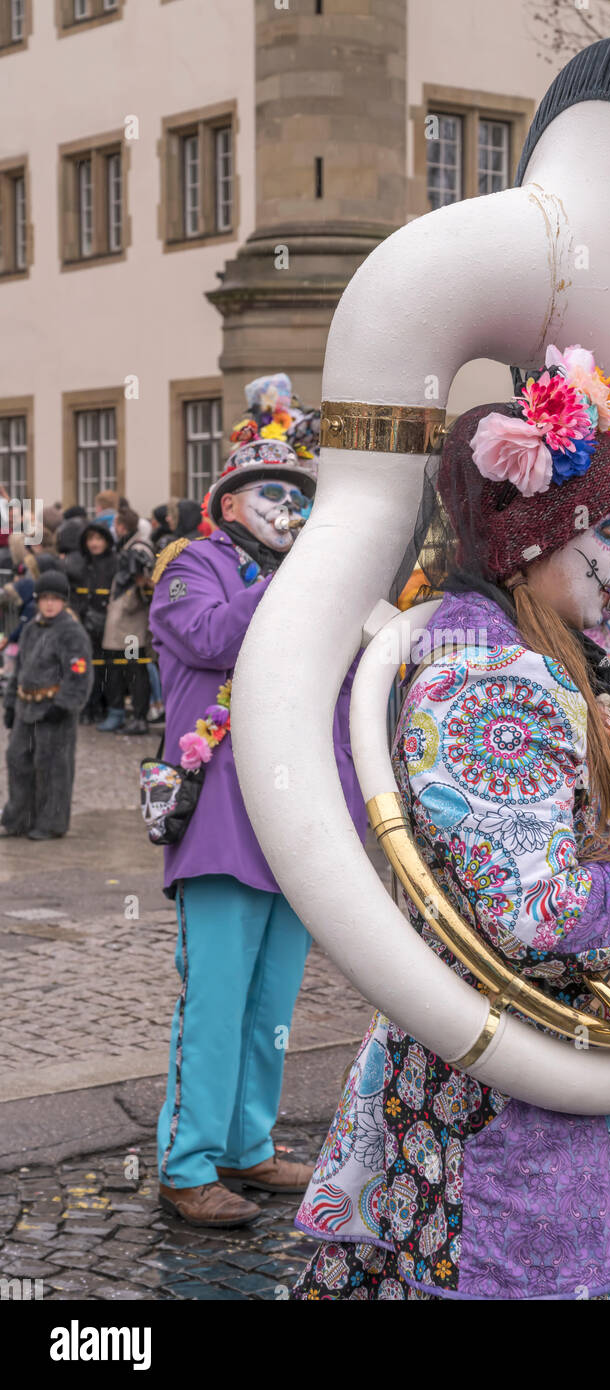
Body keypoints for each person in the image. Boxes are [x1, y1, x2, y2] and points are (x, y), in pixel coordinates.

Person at [291, 347, 610, 1300]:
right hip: (517, 1095)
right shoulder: (483, 682)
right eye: (606, 534)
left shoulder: (558, 644)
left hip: (584, 1067)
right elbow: (536, 914)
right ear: (532, 546)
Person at [148, 374, 366, 1230]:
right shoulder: (191, 565)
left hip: (294, 820)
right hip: (219, 817)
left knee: (273, 1000)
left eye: (298, 494)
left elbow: (343, 693)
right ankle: (186, 1160)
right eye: (272, 493)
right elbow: (204, 637)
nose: (289, 507)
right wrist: (294, 576)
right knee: (217, 995)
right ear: (229, 502)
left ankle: (246, 1144)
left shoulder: (308, 581)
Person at [2, 570, 92, 840]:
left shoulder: (72, 632)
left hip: (54, 710)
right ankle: (19, 818)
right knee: (18, 760)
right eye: (44, 599)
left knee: (52, 766)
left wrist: (64, 704)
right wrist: (9, 703)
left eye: (55, 598)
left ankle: (51, 822)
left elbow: (79, 672)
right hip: (25, 708)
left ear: (64, 601)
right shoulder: (30, 629)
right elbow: (19, 668)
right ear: (37, 601)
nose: (49, 604)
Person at [99, 508, 155, 735]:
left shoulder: (137, 549)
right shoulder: (131, 548)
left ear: (122, 526)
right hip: (125, 624)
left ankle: (139, 717)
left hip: (132, 627)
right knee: (123, 669)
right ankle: (126, 714)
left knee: (134, 670)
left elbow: (145, 584)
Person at [65, 522, 117, 725]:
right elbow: (71, 591)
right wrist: (77, 612)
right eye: (90, 539)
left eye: (98, 539)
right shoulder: (77, 562)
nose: (94, 544)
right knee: (83, 666)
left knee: (106, 668)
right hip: (84, 622)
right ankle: (86, 705)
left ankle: (103, 705)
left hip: (108, 623)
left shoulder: (114, 562)